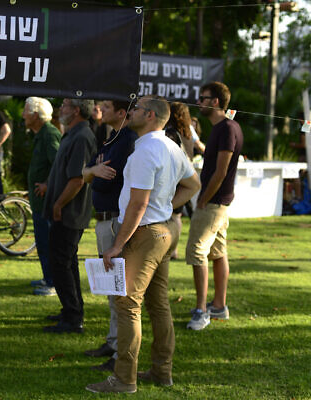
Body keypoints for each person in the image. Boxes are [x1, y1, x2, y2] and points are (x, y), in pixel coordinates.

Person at [86, 95, 200, 394]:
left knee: (128, 304)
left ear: (149, 115)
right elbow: (192, 185)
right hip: (162, 231)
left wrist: (115, 245)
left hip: (145, 234)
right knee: (158, 304)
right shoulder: (171, 147)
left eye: (135, 109)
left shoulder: (144, 152)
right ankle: (162, 372)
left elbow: (138, 204)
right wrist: (165, 207)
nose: (130, 113)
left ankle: (124, 379)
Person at [82, 100, 137, 371]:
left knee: (118, 287)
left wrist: (96, 174)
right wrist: (94, 170)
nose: (99, 110)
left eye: (105, 106)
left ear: (120, 112)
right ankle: (112, 341)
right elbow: (87, 173)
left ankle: (119, 351)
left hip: (115, 220)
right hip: (103, 220)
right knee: (109, 286)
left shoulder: (127, 139)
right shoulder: (110, 138)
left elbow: (108, 180)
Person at [185, 81, 243, 331]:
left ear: (215, 102)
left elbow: (220, 172)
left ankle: (202, 311)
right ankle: (219, 305)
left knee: (197, 252)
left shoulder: (227, 129)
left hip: (214, 203)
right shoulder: (222, 128)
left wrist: (204, 199)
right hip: (219, 202)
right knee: (217, 252)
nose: (199, 102)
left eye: (203, 98)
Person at [42, 98, 96, 334]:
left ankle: (73, 318)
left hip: (69, 212)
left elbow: (77, 179)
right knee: (65, 262)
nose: (59, 109)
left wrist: (59, 204)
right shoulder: (72, 134)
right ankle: (71, 309)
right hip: (64, 209)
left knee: (61, 263)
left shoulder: (82, 136)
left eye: (64, 105)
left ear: (76, 110)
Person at [23, 97, 61, 296]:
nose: (23, 115)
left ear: (36, 115)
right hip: (39, 202)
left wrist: (47, 184)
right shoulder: (40, 134)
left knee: (47, 242)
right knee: (42, 241)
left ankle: (53, 282)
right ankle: (48, 277)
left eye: (26, 111)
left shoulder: (49, 134)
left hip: (47, 202)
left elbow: (58, 163)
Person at [165, 102, 195, 259]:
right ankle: (174, 250)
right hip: (187, 177)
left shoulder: (172, 133)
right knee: (177, 216)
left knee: (172, 215)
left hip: (175, 178)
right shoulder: (188, 133)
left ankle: (172, 250)